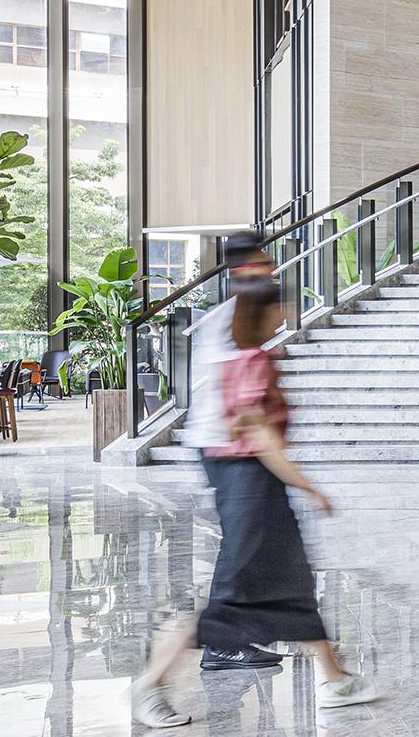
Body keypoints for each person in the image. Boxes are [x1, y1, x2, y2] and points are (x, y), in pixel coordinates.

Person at [131, 281, 383, 727]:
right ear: (261, 314)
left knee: (295, 586)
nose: (284, 317)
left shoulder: (251, 361)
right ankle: (150, 683)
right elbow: (260, 438)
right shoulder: (250, 363)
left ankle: (336, 679)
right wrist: (310, 487)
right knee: (226, 604)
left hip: (261, 493)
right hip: (253, 494)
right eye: (280, 310)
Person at [178, 233, 286, 672]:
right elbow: (240, 403)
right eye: (265, 264)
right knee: (239, 546)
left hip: (233, 448)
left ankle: (233, 636)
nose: (273, 271)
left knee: (248, 544)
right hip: (226, 449)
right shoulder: (230, 320)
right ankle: (218, 643)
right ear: (243, 269)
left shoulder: (241, 317)